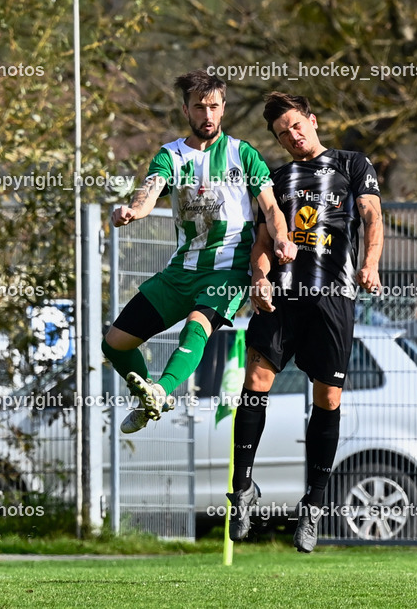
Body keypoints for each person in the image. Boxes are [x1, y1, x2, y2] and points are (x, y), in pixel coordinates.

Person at [227, 91, 384, 553]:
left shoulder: (353, 164)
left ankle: (313, 505)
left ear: (312, 121)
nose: (292, 137)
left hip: (333, 300)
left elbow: (373, 217)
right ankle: (242, 489)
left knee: (328, 398)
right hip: (283, 298)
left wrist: (370, 264)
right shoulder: (274, 179)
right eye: (282, 134)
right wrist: (259, 278)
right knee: (255, 381)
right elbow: (260, 242)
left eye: (296, 126)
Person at [103, 70, 296, 433]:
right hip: (182, 271)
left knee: (196, 326)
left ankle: (160, 389)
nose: (207, 115)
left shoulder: (243, 154)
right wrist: (134, 210)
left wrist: (283, 238)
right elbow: (150, 189)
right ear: (185, 110)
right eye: (198, 107)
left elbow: (271, 209)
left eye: (213, 107)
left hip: (228, 270)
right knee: (114, 344)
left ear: (223, 109)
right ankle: (149, 398)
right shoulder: (171, 155)